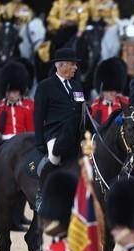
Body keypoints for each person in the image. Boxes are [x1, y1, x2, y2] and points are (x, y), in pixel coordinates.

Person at [34, 48, 85, 209]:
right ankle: (41, 194)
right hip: (55, 133)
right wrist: (39, 140)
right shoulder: (45, 86)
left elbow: (83, 109)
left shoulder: (77, 86)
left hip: (75, 133)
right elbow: (38, 115)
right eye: (72, 64)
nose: (75, 68)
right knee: (54, 158)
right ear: (60, 66)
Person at [0, 61, 34, 146]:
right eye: (9, 92)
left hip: (23, 145)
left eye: (14, 91)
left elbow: (31, 130)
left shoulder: (29, 106)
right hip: (5, 146)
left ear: (20, 90)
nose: (11, 95)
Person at [92, 57, 129, 124]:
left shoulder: (125, 102)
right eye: (108, 91)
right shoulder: (97, 104)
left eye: (114, 90)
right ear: (102, 92)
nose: (112, 93)